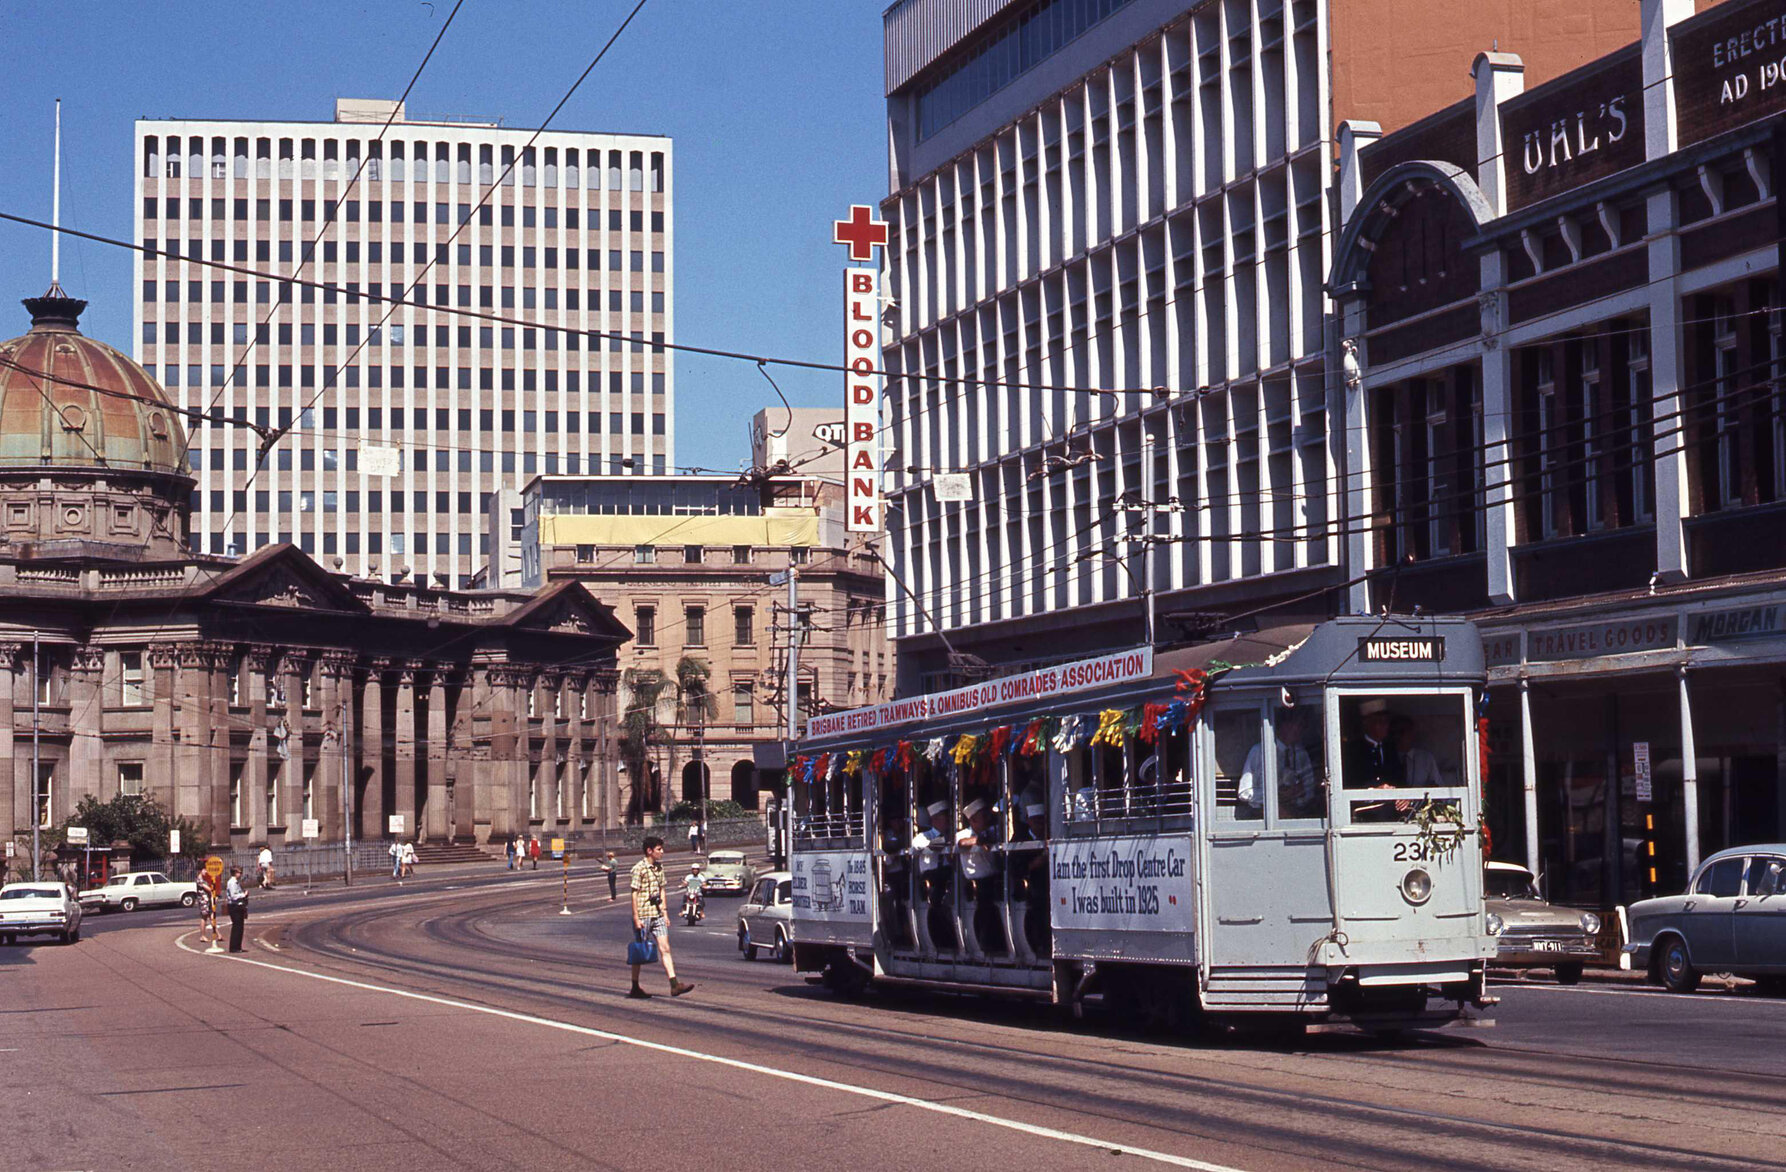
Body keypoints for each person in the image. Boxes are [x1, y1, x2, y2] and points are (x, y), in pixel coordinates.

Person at [629, 836, 694, 999]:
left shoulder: (659, 868)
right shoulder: (639, 869)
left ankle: (674, 985)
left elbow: (662, 889)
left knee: (665, 948)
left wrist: (664, 913)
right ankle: (635, 986)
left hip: (657, 914)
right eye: (659, 849)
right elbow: (634, 893)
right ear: (649, 851)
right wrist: (636, 917)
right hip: (643, 915)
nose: (662, 852)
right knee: (639, 952)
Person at [1237, 708, 1320, 819]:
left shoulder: (1301, 753)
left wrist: (1301, 792)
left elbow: (1310, 789)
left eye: (1303, 726)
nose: (1300, 730)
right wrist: (1275, 795)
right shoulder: (1259, 751)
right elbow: (1244, 792)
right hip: (1263, 815)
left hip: (1296, 813)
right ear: (1283, 726)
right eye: (1297, 725)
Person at [1393, 716, 1443, 789]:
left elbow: (1437, 784)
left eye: (1402, 731)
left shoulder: (1425, 758)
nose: (1399, 736)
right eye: (1395, 732)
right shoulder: (1388, 758)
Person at [224, 865, 249, 953]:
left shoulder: (236, 882)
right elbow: (234, 896)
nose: (241, 874)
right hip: (234, 906)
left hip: (239, 905)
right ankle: (234, 947)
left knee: (240, 927)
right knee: (236, 927)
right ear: (235, 873)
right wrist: (243, 895)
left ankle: (238, 946)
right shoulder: (232, 882)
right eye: (239, 872)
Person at [197, 871, 222, 952]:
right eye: (205, 870)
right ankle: (202, 935)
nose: (206, 872)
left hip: (208, 899)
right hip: (203, 900)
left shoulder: (204, 879)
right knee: (204, 917)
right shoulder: (200, 879)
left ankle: (218, 934)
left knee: (212, 916)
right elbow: (208, 888)